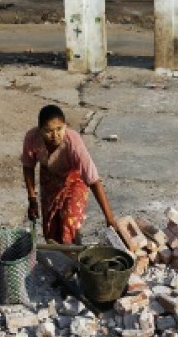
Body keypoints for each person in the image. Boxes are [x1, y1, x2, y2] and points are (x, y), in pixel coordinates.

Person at [22, 104, 116, 244]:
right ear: (40, 130)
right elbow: (28, 166)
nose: (55, 136)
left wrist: (109, 219)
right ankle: (61, 262)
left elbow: (93, 180)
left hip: (74, 180)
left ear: (65, 126)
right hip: (49, 181)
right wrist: (32, 198)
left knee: (69, 221)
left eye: (59, 129)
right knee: (51, 233)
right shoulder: (32, 138)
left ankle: (76, 257)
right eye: (48, 131)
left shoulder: (73, 142)